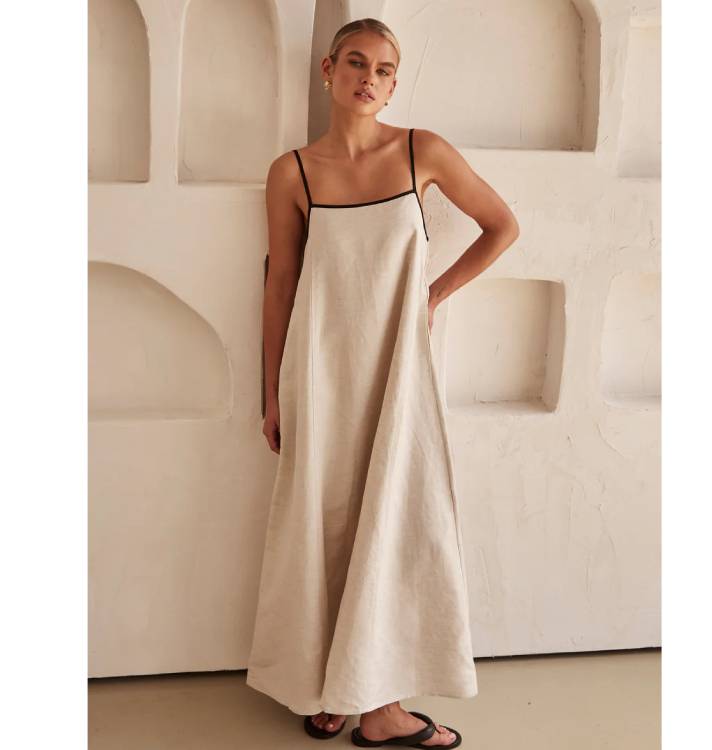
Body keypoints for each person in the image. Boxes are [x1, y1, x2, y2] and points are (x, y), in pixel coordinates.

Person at [247, 18, 520, 748]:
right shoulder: (292, 172)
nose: (370, 78)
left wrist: (431, 296)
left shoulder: (421, 151)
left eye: (385, 69)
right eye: (357, 63)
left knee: (398, 522)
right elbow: (279, 285)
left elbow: (502, 226)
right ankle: (331, 683)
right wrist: (272, 394)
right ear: (329, 69)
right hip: (320, 373)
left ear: (394, 84)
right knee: (324, 522)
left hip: (399, 373)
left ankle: (381, 705)